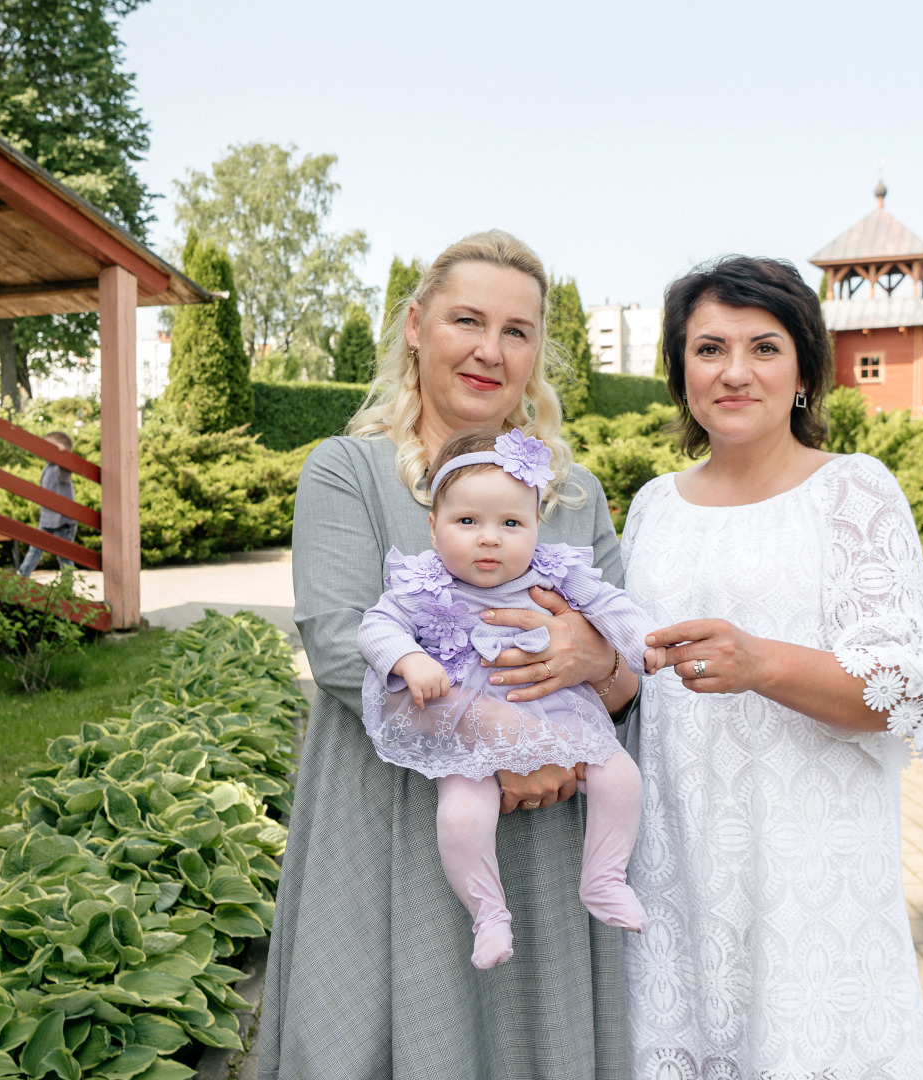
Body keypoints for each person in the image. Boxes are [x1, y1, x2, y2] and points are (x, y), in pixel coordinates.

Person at [257, 230, 640, 1080]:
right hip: (387, 813)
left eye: (516, 331)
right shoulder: (346, 472)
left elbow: (625, 670)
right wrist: (503, 742)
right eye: (467, 320)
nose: (488, 351)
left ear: (537, 352)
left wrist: (592, 662)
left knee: (527, 1040)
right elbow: (335, 642)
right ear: (415, 327)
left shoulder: (572, 499)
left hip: (546, 827)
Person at [620, 256, 923, 1079]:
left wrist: (761, 662)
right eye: (708, 349)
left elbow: (907, 693)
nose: (734, 372)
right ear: (679, 373)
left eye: (763, 348)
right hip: (673, 872)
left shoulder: (852, 492)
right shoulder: (651, 506)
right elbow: (633, 674)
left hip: (808, 880)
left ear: (806, 370)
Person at [359, 427, 651, 971]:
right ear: (433, 526)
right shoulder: (423, 584)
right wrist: (407, 658)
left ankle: (604, 878)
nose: (489, 538)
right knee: (462, 815)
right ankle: (487, 913)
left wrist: (642, 644)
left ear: (537, 527)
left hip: (558, 711)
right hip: (467, 721)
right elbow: (375, 627)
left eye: (511, 523)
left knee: (621, 777)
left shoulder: (553, 572)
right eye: (467, 521)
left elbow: (612, 606)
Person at [17, 431, 78, 576]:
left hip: (63, 522)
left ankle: (67, 585)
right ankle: (22, 574)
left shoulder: (60, 470)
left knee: (64, 556)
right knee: (35, 549)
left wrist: (62, 455)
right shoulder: (47, 469)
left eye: (49, 447)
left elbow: (66, 468)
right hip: (46, 520)